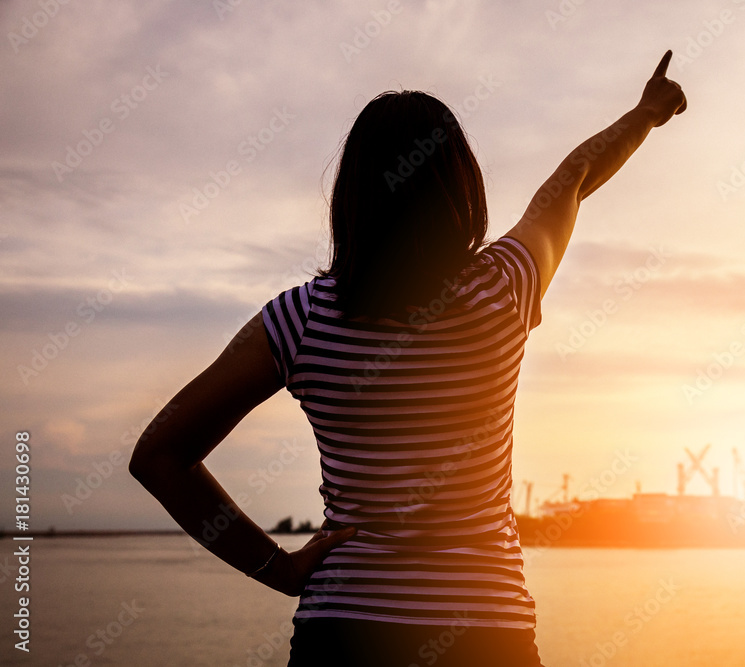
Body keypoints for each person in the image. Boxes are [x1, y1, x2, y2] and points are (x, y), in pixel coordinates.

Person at [129, 49, 685, 666]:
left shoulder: (300, 318)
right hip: (484, 633)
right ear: (462, 188)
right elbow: (573, 177)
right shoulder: (504, 288)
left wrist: (279, 568)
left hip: (342, 636)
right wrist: (645, 114)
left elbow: (159, 454)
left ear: (351, 199)